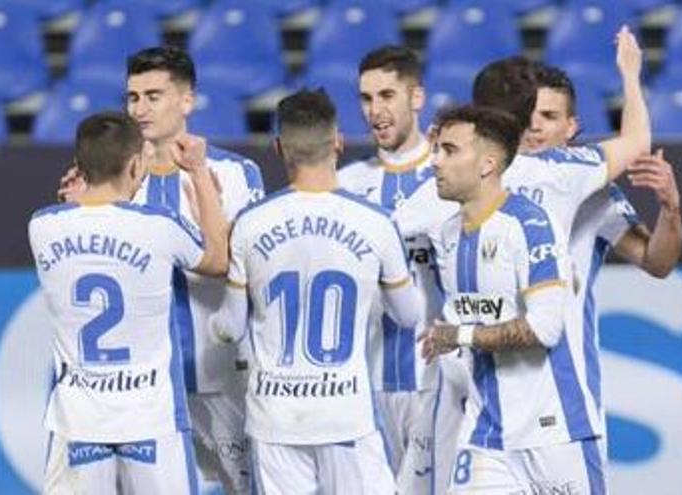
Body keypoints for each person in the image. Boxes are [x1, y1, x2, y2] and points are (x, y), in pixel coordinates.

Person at [405, 26, 651, 494]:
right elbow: (637, 141)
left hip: (547, 407)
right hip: (490, 417)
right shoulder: (560, 174)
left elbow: (382, 231)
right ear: (526, 118)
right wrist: (631, 75)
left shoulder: (438, 187)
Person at [60, 46, 264, 494]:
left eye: (154, 96)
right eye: (133, 97)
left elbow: (246, 265)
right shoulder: (110, 181)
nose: (140, 108)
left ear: (186, 101)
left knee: (247, 487)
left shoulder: (234, 173)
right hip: (142, 389)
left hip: (217, 373)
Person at [210, 88, 422, 494]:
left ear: (279, 148)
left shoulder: (250, 224)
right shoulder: (375, 222)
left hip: (276, 418)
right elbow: (409, 316)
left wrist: (214, 326)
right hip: (346, 414)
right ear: (338, 142)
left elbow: (230, 328)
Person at [29, 111, 228, 494]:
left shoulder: (42, 226)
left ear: (80, 166)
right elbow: (218, 260)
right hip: (150, 420)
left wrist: (75, 199)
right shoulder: (160, 225)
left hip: (78, 423)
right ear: (136, 164)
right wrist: (199, 172)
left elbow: (78, 222)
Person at [420, 103, 595, 492]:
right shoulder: (446, 236)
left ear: (487, 164)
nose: (435, 162)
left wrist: (459, 336)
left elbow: (545, 328)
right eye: (436, 150)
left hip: (552, 431)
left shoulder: (531, 224)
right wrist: (444, 339)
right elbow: (462, 322)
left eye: (449, 151)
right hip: (486, 434)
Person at [527, 63, 682, 457]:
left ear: (572, 127)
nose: (535, 125)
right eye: (528, 113)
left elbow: (657, 261)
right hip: (483, 406)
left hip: (564, 403)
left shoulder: (594, 194)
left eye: (549, 116)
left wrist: (669, 208)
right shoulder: (480, 186)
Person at [336, 45, 443, 494]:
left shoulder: (450, 175)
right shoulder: (346, 184)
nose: (375, 110)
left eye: (386, 96)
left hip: (437, 381)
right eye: (365, 98)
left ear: (415, 98)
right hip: (369, 385)